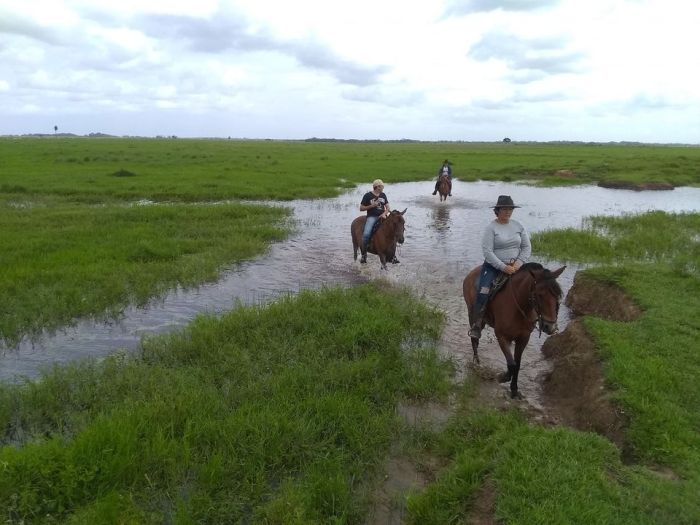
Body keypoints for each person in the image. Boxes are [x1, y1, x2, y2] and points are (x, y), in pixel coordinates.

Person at [468, 195, 531, 338]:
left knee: (535, 285)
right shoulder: (491, 228)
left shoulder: (518, 226)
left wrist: (518, 263)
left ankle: (534, 319)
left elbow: (527, 247)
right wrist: (503, 267)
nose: (508, 212)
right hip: (493, 266)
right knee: (482, 290)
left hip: (517, 265)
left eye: (510, 209)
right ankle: (477, 325)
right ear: (497, 210)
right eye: (504, 209)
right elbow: (487, 252)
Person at [359, 179, 391, 263]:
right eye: (381, 186)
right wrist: (372, 205)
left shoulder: (383, 195)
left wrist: (384, 213)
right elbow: (361, 208)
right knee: (366, 234)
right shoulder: (367, 195)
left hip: (383, 216)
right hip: (372, 217)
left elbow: (388, 208)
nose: (383, 188)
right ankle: (364, 254)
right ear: (377, 187)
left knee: (393, 230)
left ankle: (392, 255)